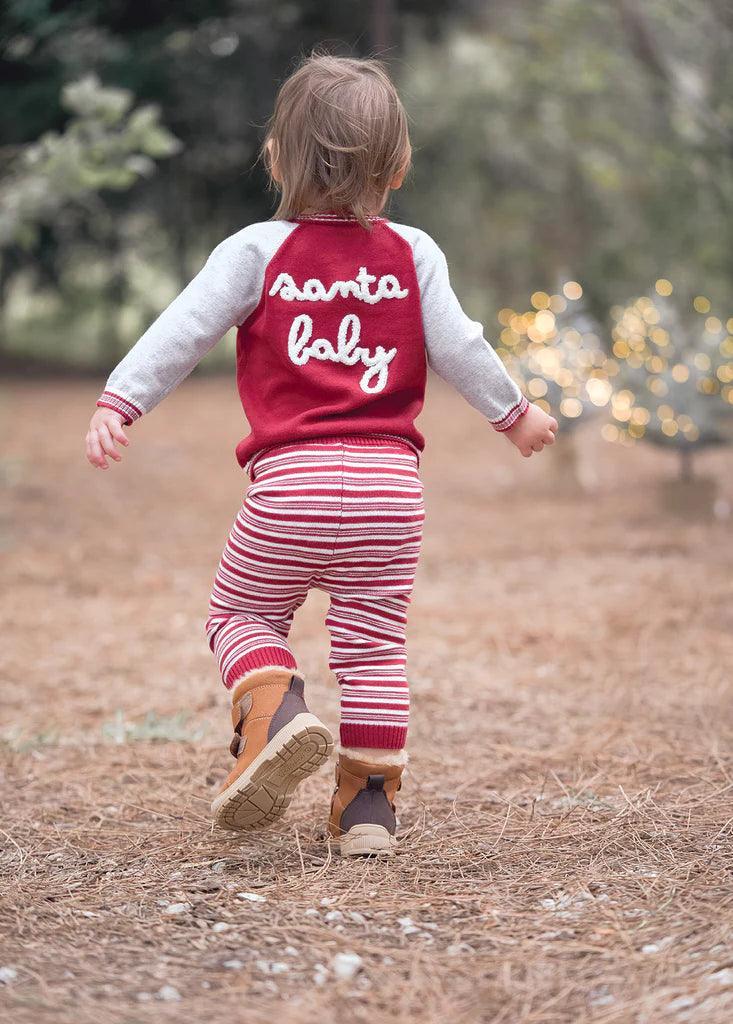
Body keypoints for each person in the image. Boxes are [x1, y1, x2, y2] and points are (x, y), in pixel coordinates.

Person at [85, 53, 557, 856]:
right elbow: (461, 346)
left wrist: (120, 400)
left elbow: (181, 330)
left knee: (240, 614)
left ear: (276, 157)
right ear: (399, 165)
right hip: (388, 495)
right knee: (373, 646)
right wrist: (512, 415)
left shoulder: (255, 251)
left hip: (291, 488)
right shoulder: (414, 253)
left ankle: (275, 704)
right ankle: (367, 808)